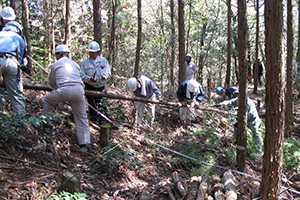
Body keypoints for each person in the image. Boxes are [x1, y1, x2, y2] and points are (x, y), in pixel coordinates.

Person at [42, 44, 90, 151]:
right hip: (78, 90)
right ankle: (85, 143)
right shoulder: (75, 64)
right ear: (68, 54)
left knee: (48, 100)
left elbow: (52, 82)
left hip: (63, 90)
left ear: (58, 55)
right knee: (82, 117)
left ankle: (45, 123)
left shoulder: (55, 65)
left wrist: (57, 89)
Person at [0, 20, 27, 116]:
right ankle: (20, 120)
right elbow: (23, 54)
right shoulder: (19, 38)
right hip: (11, 62)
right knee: (16, 94)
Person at [80, 41, 111, 122]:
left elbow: (108, 72)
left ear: (98, 52)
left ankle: (104, 120)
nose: (92, 54)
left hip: (101, 87)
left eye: (93, 52)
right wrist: (89, 79)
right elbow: (82, 75)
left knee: (102, 105)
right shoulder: (84, 63)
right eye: (90, 52)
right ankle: (93, 120)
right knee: (92, 105)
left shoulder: (103, 61)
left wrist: (105, 77)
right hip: (89, 87)